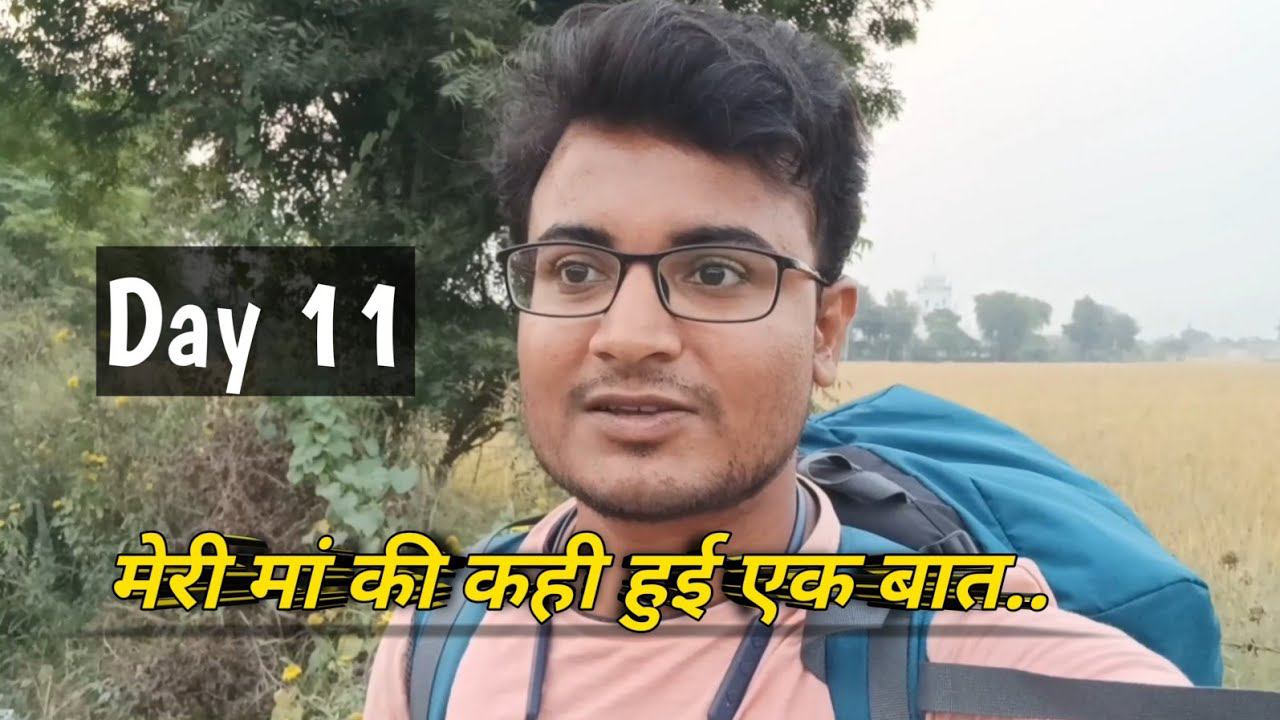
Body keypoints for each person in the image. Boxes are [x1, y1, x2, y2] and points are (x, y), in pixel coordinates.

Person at [363, 1, 1190, 717]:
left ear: (826, 330)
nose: (629, 334)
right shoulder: (439, 636)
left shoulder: (972, 658)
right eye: (577, 272)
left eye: (716, 273)